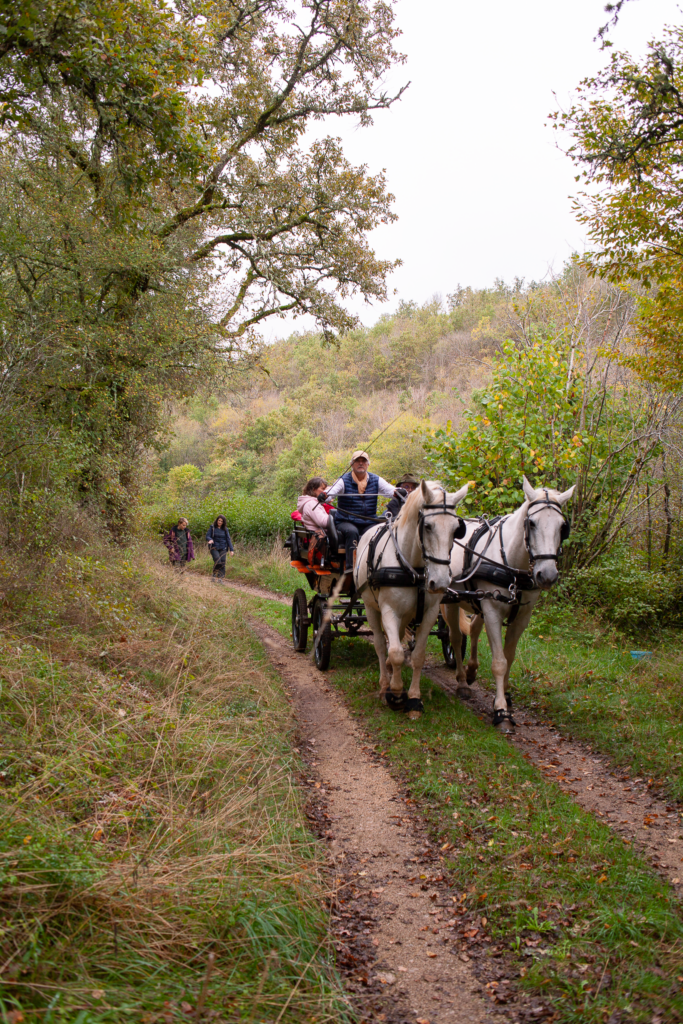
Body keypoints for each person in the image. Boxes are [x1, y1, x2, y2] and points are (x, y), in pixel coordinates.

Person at [325, 450, 397, 572]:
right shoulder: (343, 480)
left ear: (368, 464)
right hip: (345, 521)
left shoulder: (375, 479)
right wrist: (325, 496)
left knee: (379, 532)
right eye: (357, 461)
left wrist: (400, 492)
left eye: (363, 461)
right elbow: (331, 492)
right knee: (352, 532)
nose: (360, 463)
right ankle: (351, 569)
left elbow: (391, 490)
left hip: (368, 521)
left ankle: (374, 568)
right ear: (351, 464)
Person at [206, 514, 234, 579]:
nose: (220, 522)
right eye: (219, 520)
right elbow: (207, 536)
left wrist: (231, 550)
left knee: (222, 563)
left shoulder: (225, 529)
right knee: (218, 561)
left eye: (221, 521)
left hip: (223, 547)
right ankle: (214, 573)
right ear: (217, 520)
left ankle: (220, 578)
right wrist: (210, 539)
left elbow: (228, 539)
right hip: (214, 547)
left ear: (223, 522)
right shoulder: (212, 528)